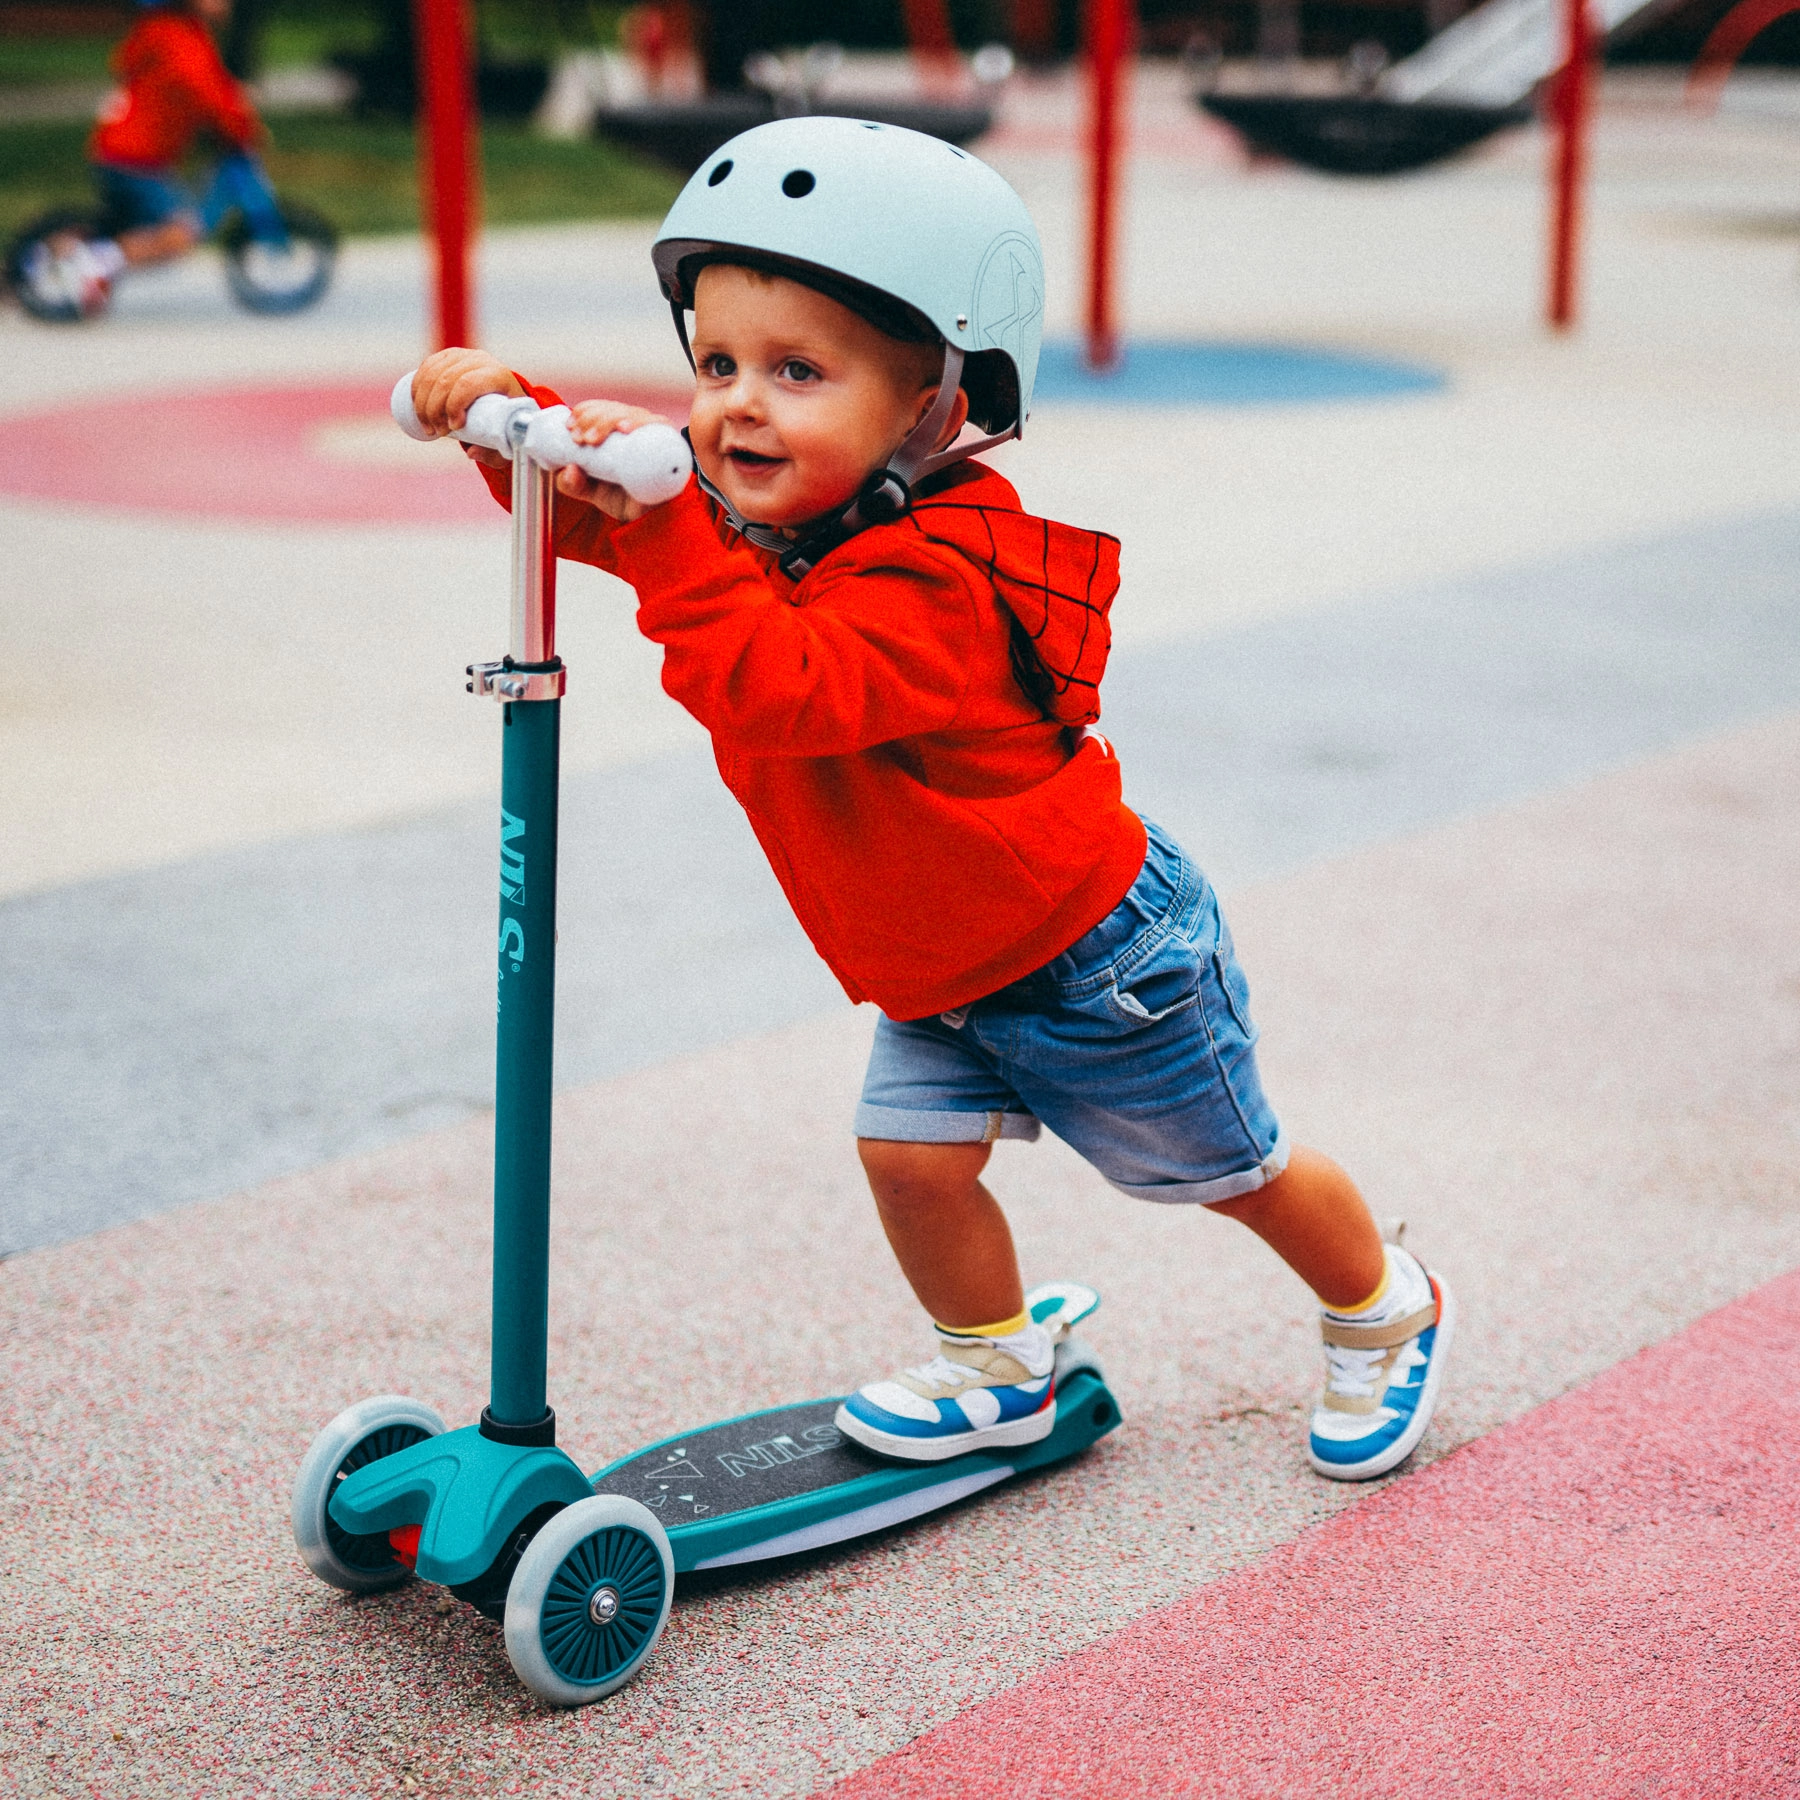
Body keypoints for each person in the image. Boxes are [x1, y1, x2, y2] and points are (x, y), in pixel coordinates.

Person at [409, 117, 1454, 1483]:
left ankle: (1383, 1303)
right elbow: (609, 527)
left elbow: (780, 688)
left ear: (931, 410)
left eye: (797, 371)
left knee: (1230, 1173)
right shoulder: (783, 524)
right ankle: (997, 1361)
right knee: (908, 1162)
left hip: (1096, 961)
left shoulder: (940, 580)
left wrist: (669, 531)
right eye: (716, 364)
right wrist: (511, 422)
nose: (736, 406)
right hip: (942, 968)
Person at [23, 0, 261, 318]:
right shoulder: (182, 41)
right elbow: (207, 93)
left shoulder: (164, 32)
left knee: (124, 225)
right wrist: (241, 128)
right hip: (136, 158)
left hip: (121, 150)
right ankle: (96, 264)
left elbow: (192, 87)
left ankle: (69, 253)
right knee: (179, 235)